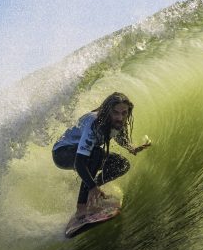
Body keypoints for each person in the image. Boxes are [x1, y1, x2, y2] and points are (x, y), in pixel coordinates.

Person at [52, 92, 151, 228]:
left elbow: (119, 137)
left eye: (124, 113)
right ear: (107, 111)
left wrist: (132, 148)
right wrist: (92, 187)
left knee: (121, 164)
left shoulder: (119, 123)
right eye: (115, 113)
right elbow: (80, 162)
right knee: (97, 153)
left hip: (85, 154)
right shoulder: (94, 123)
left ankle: (92, 193)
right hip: (62, 153)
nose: (120, 117)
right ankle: (82, 208)